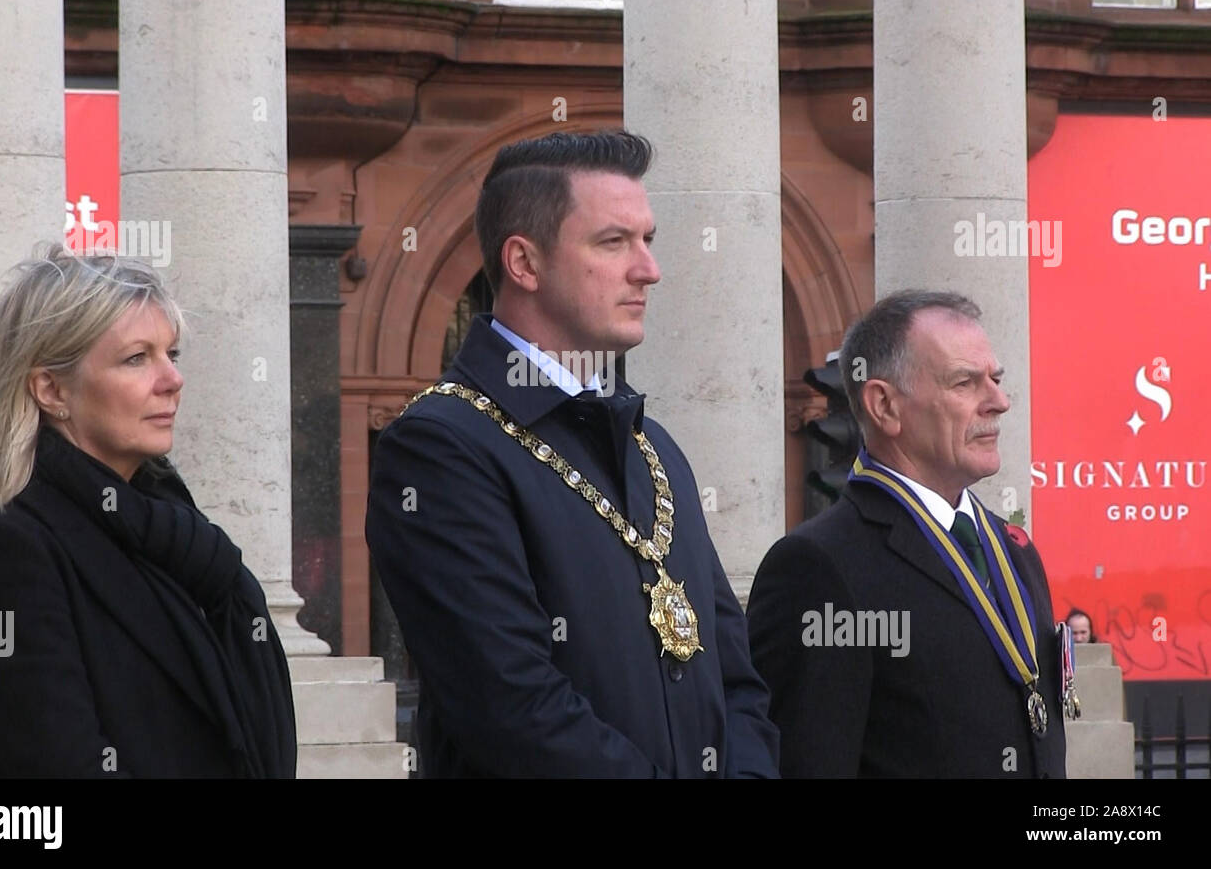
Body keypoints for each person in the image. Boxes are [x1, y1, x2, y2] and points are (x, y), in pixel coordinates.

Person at [365, 130, 781, 777]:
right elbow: (512, 709)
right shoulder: (440, 446)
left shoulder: (655, 450)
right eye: (613, 242)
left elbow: (736, 679)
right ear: (525, 264)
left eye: (647, 240)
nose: (649, 268)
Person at [0, 244, 296, 778]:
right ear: (51, 389)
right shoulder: (6, 554)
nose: (172, 380)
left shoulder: (183, 543)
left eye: (171, 355)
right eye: (136, 358)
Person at [747, 290, 1067, 778]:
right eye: (965, 383)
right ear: (884, 406)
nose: (999, 402)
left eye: (996, 380)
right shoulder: (820, 567)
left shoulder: (1013, 549)